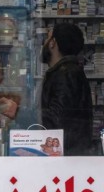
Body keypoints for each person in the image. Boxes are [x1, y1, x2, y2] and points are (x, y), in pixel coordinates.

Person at [40, 22, 93, 156]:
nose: (45, 42)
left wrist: (21, 112)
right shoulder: (66, 72)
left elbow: (56, 119)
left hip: (67, 156)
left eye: (48, 37)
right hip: (69, 154)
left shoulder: (66, 74)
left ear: (53, 43)